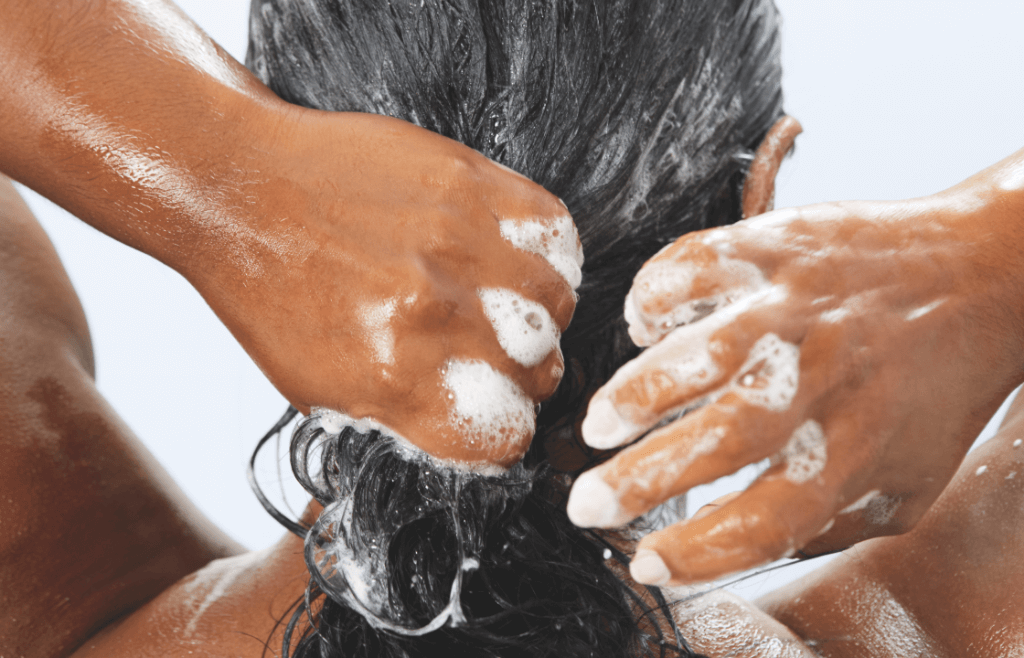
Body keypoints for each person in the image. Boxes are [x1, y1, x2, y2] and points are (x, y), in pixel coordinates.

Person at [2, 2, 1024, 658]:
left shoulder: (49, 589)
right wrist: (974, 266)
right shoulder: (937, 626)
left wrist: (218, 170)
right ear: (759, 194)